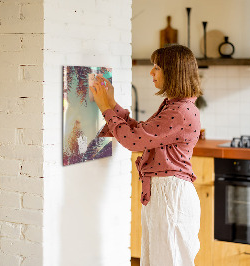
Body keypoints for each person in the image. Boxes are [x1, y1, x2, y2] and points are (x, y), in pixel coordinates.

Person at [90, 44, 202, 266]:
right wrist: (112, 104)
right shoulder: (175, 106)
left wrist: (105, 108)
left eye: (157, 67)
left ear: (173, 72)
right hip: (165, 195)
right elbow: (141, 133)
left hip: (170, 197)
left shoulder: (179, 111)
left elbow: (133, 141)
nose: (152, 73)